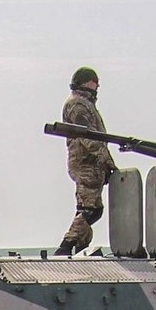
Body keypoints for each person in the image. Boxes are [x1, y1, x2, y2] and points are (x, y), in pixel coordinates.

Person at [58, 66, 114, 256]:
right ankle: (66, 245)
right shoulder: (78, 105)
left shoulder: (84, 104)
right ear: (84, 82)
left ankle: (81, 248)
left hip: (91, 162)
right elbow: (88, 138)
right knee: (90, 209)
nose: (97, 84)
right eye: (93, 80)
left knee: (89, 209)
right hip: (86, 162)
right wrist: (107, 161)